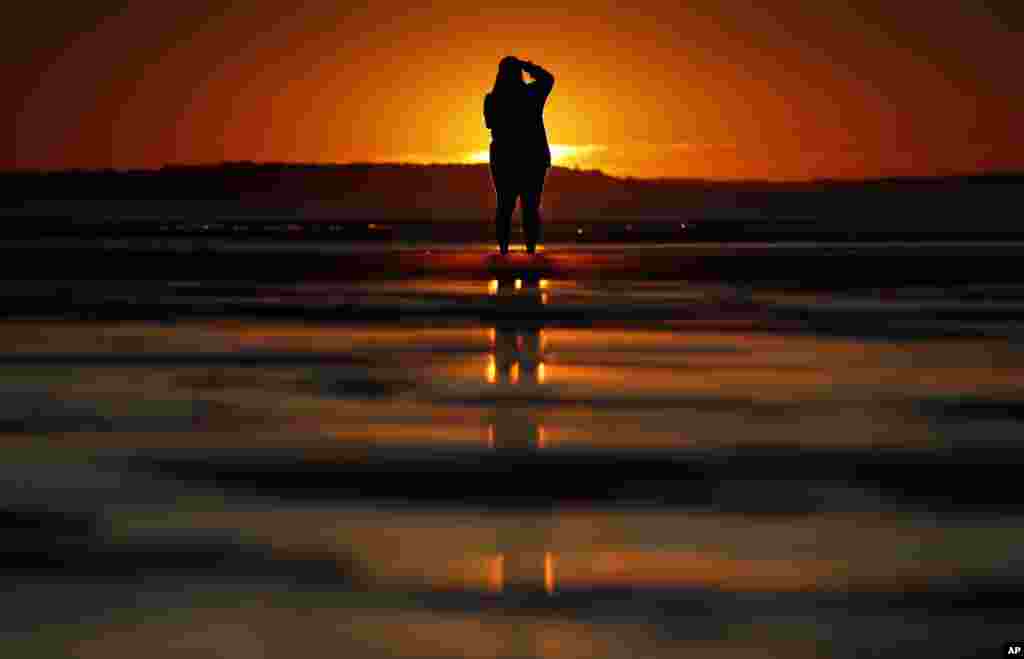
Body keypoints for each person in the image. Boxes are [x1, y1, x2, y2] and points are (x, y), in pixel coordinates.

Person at [484, 56, 554, 255]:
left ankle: (504, 249)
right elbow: (548, 79)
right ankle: (530, 249)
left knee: (505, 205)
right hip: (531, 157)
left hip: (505, 157)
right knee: (530, 206)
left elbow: (489, 124)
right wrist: (528, 66)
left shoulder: (492, 99)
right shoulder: (532, 94)